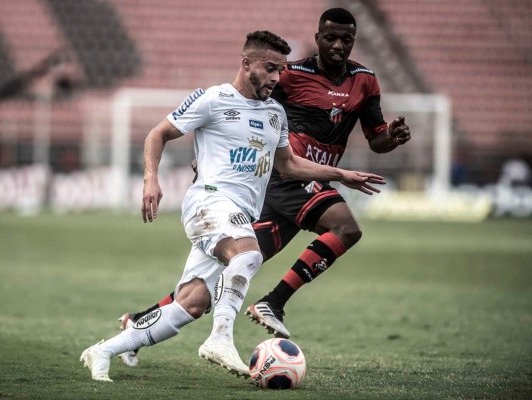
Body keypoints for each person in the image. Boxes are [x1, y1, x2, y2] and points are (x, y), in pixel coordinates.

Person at [116, 8, 411, 376]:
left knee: (224, 276)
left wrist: (390, 138)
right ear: (317, 39)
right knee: (345, 227)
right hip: (287, 178)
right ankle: (273, 302)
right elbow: (248, 106)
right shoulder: (290, 74)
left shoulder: (364, 81)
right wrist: (211, 156)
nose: (338, 45)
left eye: (346, 39)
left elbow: (376, 139)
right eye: (331, 37)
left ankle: (139, 323)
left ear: (354, 41)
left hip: (296, 180)